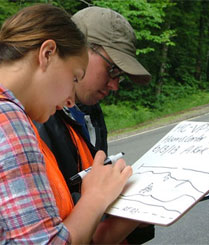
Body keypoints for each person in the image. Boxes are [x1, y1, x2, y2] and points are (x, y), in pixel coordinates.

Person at [0, 4, 134, 244]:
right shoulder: (1, 117)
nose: (70, 99)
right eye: (74, 78)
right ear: (47, 53)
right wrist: (96, 197)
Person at [36, 6, 155, 244]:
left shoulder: (90, 112)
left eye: (119, 75)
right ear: (78, 50)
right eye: (112, 70)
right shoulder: (36, 119)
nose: (115, 85)